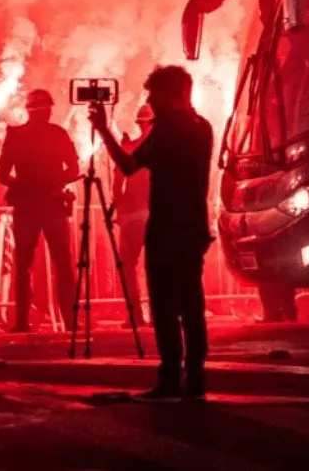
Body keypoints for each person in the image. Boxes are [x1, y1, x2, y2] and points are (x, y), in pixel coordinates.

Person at [91, 66, 214, 400]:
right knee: (191, 303)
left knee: (164, 304)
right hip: (194, 226)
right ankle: (196, 375)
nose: (150, 101)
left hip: (168, 227)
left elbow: (128, 165)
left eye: (154, 94)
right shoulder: (201, 127)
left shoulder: (169, 129)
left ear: (173, 95)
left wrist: (103, 130)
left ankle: (171, 376)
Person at [0, 89, 79, 333]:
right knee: (62, 264)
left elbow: (3, 175)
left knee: (25, 265)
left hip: (28, 206)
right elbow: (73, 169)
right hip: (49, 205)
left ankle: (23, 322)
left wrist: (24, 185)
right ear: (45, 110)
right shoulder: (58, 134)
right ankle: (70, 321)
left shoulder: (16, 135)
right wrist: (54, 183)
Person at [111, 104, 154, 326]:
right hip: (157, 216)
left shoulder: (130, 148)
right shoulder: (169, 149)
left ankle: (136, 316)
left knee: (128, 265)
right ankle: (160, 315)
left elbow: (117, 183)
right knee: (157, 267)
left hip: (134, 216)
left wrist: (118, 209)